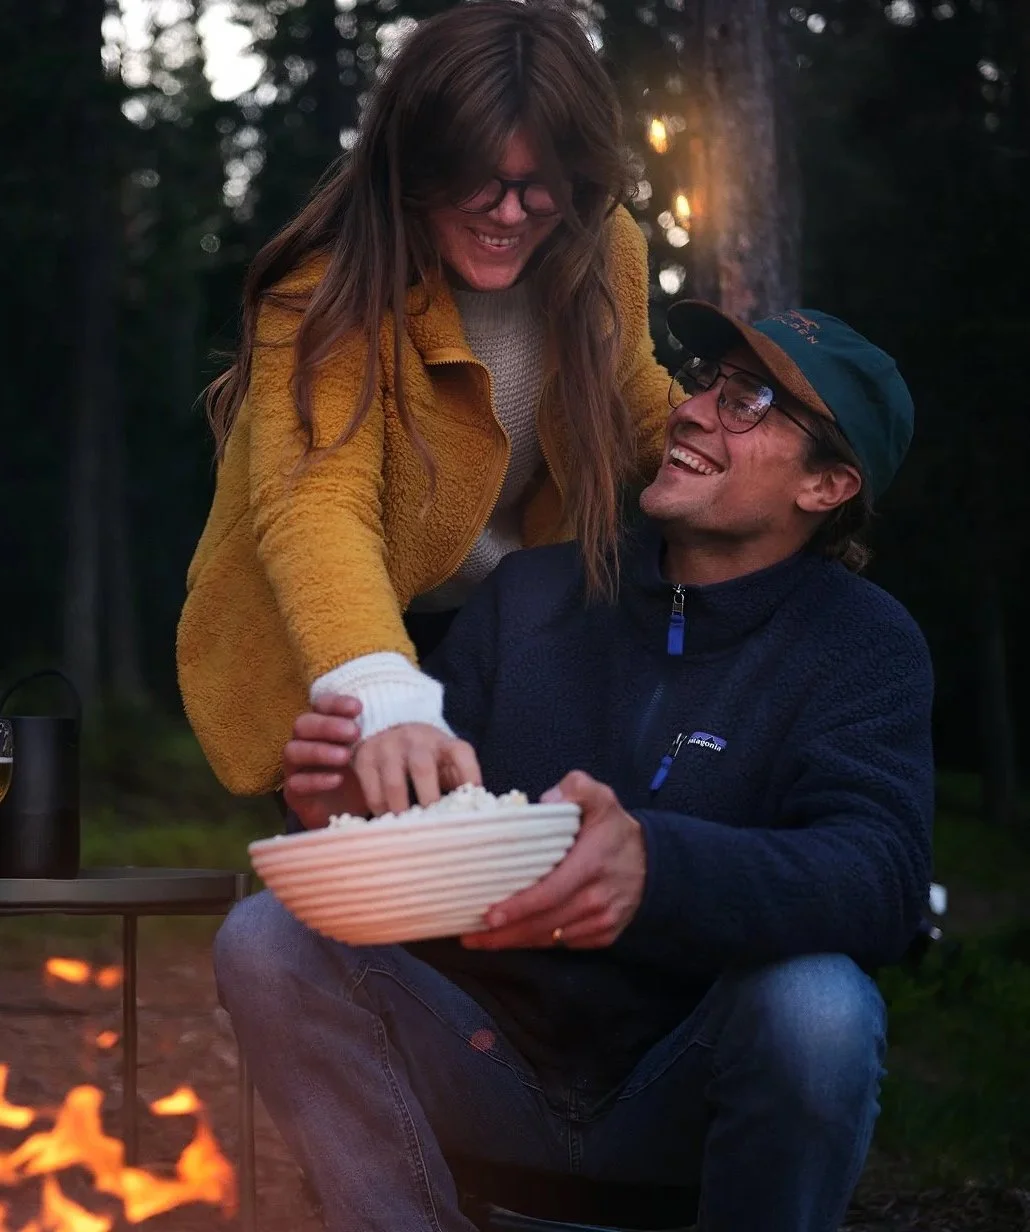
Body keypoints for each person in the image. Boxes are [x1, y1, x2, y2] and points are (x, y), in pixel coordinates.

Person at [214, 300, 935, 1232]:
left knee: (819, 1006)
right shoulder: (533, 594)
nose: (694, 407)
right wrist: (348, 808)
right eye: (706, 378)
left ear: (828, 486)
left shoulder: (861, 644)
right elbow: (431, 829)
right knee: (267, 939)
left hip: (683, 1098)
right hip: (486, 1068)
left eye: (750, 399)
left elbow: (880, 876)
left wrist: (657, 870)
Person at [176, 0, 674, 798]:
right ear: (412, 166)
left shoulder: (605, 249)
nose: (509, 214)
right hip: (350, 631)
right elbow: (316, 501)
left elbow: (635, 393)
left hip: (510, 629)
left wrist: (755, 453)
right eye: (479, 181)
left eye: (540, 186)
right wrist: (381, 690)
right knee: (385, 895)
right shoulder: (322, 292)